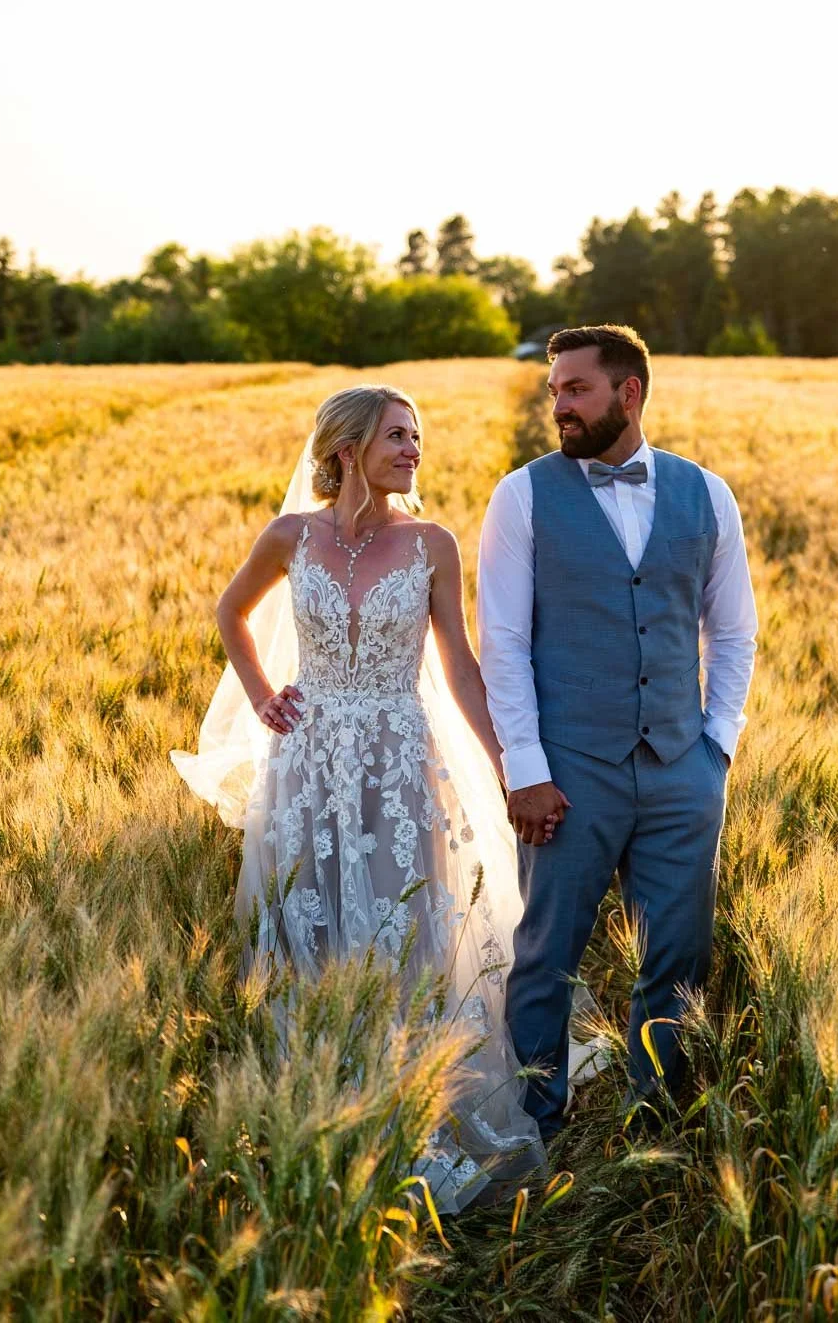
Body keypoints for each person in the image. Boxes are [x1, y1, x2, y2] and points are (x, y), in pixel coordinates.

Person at [171, 384, 557, 1212]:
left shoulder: (432, 544)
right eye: (398, 436)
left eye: (418, 436)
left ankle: (411, 1111)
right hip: (306, 762)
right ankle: (315, 1106)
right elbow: (231, 611)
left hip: (400, 760)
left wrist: (508, 767)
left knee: (407, 929)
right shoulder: (290, 536)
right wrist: (265, 693)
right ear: (347, 448)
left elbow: (457, 664)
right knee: (308, 923)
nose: (415, 449)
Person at [477, 324, 758, 1139]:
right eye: (554, 391)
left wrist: (717, 750)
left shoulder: (706, 494)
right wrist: (523, 768)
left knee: (676, 961)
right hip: (570, 771)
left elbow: (733, 633)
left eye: (575, 389)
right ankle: (538, 1130)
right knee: (546, 959)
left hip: (682, 770)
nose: (557, 406)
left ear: (628, 393)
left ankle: (654, 1125)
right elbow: (503, 641)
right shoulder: (522, 496)